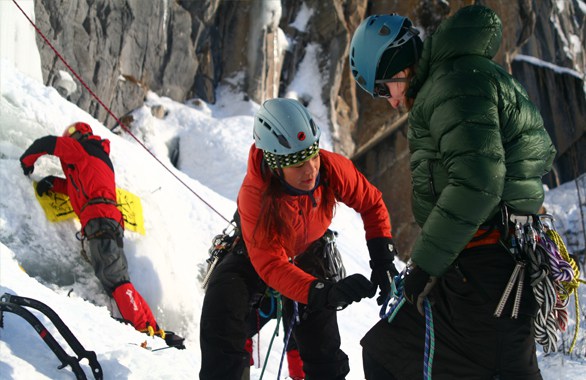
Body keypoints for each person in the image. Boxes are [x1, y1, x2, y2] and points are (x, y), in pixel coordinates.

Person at [349, 5, 556, 379]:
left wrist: (425, 264)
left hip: (488, 269)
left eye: (384, 87)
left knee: (389, 356)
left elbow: (478, 183)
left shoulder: (451, 86)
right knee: (386, 353)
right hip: (479, 266)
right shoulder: (450, 82)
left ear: (398, 62)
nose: (391, 101)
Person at [199, 98, 399, 380]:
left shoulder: (330, 168)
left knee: (324, 352)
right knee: (222, 317)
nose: (310, 170)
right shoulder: (255, 195)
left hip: (310, 252)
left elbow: (371, 203)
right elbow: (271, 265)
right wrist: (322, 292)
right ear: (275, 163)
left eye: (313, 155)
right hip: (255, 256)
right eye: (296, 163)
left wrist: (382, 259)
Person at [19, 122, 166, 338]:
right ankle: (152, 326)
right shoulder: (97, 157)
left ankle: (143, 328)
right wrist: (53, 183)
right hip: (110, 220)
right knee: (120, 279)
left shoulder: (80, 148)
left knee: (115, 279)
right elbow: (80, 189)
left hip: (98, 219)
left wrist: (26, 161)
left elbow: (48, 143)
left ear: (77, 136)